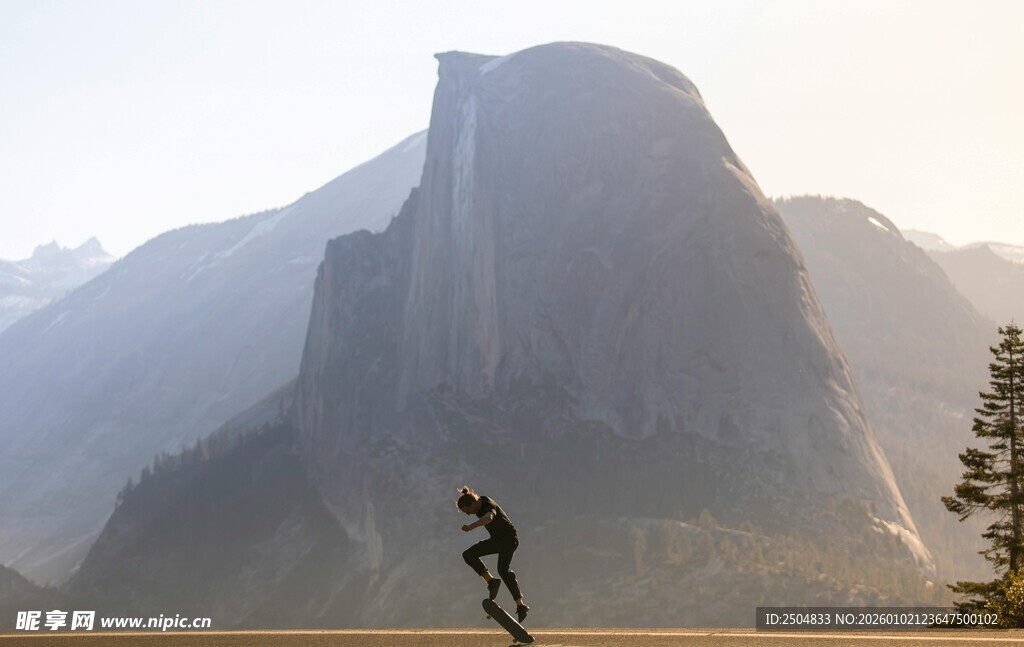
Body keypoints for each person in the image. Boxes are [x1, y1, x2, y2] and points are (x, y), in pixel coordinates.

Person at [456, 486, 530, 623]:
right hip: (496, 541)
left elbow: (489, 518)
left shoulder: (487, 503)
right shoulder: (478, 508)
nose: (468, 515)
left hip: (509, 540)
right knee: (468, 555)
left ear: (472, 504)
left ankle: (521, 606)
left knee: (503, 570)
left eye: (467, 511)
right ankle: (492, 581)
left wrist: (471, 526)